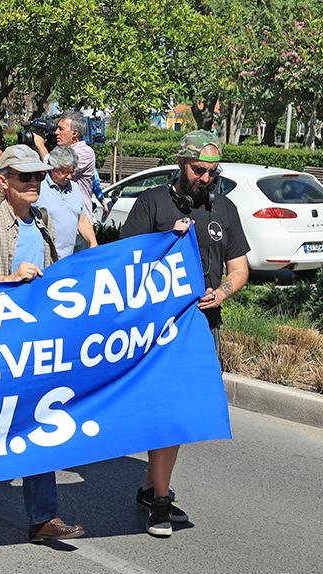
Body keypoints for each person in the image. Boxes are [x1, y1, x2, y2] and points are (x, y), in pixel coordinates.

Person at [0, 144, 85, 543]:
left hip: (34, 344)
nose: (34, 183)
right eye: (25, 177)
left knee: (38, 422)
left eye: (39, 176)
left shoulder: (42, 221)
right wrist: (7, 279)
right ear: (4, 181)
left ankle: (44, 517)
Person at [120, 130, 249, 538]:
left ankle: (148, 489)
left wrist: (222, 293)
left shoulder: (225, 209)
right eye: (199, 170)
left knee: (181, 413)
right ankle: (160, 501)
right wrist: (165, 242)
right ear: (182, 163)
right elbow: (126, 265)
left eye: (213, 172)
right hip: (159, 330)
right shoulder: (152, 203)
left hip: (202, 328)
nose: (206, 179)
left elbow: (240, 269)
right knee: (169, 414)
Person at [35, 145, 98, 259]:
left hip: (67, 258)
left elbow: (82, 220)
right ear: (52, 167)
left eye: (72, 172)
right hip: (43, 260)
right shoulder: (38, 188)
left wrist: (93, 243)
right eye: (64, 172)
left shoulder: (74, 188)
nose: (69, 176)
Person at [32, 111, 95, 215]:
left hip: (79, 219)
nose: (56, 132)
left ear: (74, 133)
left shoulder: (85, 152)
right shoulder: (58, 150)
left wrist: (40, 146)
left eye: (61, 129)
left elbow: (55, 165)